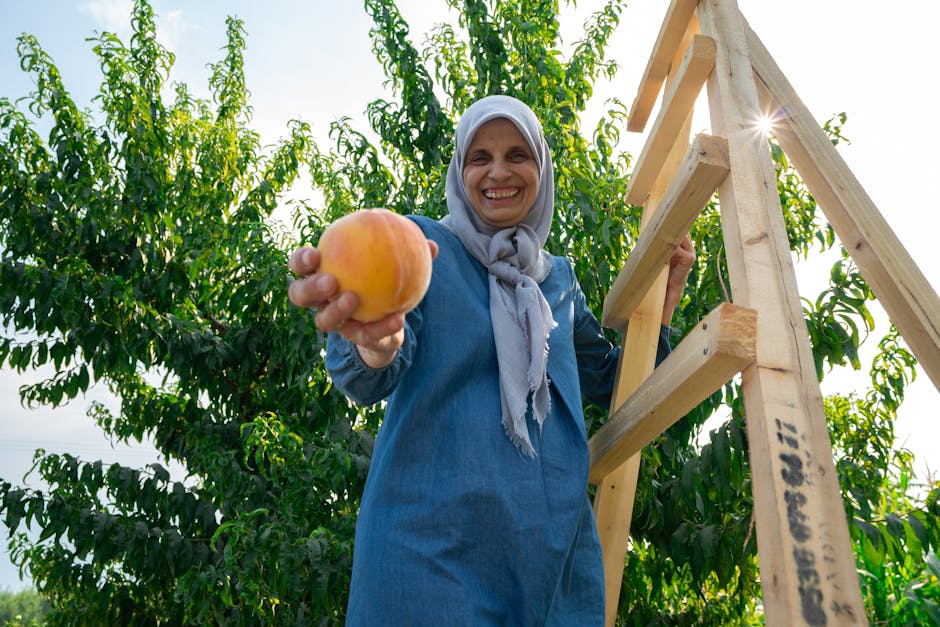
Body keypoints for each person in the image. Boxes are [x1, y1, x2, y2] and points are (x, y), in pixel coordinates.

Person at [287, 95, 695, 626]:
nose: (498, 171)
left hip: (548, 559)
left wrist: (665, 301)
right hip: (430, 551)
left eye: (517, 154)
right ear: (460, 171)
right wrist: (374, 341)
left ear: (541, 167)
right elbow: (375, 360)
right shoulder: (420, 248)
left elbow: (616, 386)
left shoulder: (557, 279)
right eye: (479, 157)